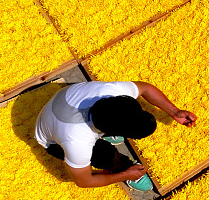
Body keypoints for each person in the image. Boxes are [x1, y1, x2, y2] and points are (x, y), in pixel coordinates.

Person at [34, 81, 197, 191]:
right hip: (52, 139)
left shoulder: (111, 92)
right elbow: (84, 181)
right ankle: (122, 165)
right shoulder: (77, 141)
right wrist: (125, 174)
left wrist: (174, 111)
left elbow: (146, 88)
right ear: (113, 132)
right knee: (104, 155)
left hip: (61, 106)